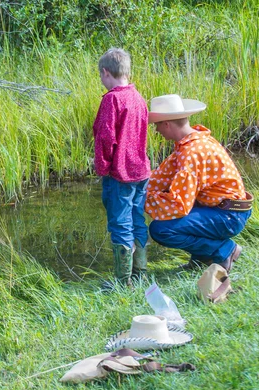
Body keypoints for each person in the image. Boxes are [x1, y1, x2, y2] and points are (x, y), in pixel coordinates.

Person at [145, 94, 253, 272]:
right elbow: (161, 176)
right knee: (189, 206)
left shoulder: (191, 153)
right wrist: (135, 185)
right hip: (226, 210)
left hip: (229, 216)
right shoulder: (192, 142)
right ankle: (203, 259)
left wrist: (144, 201)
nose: (156, 130)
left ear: (167, 124)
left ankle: (224, 250)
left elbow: (179, 204)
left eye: (157, 125)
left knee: (161, 229)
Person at [93, 48, 151, 286]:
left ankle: (123, 280)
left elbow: (105, 137)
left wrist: (103, 167)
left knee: (120, 223)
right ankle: (140, 273)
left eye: (101, 75)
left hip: (120, 173)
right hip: (141, 171)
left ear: (106, 72)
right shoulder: (138, 97)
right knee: (138, 220)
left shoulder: (112, 99)